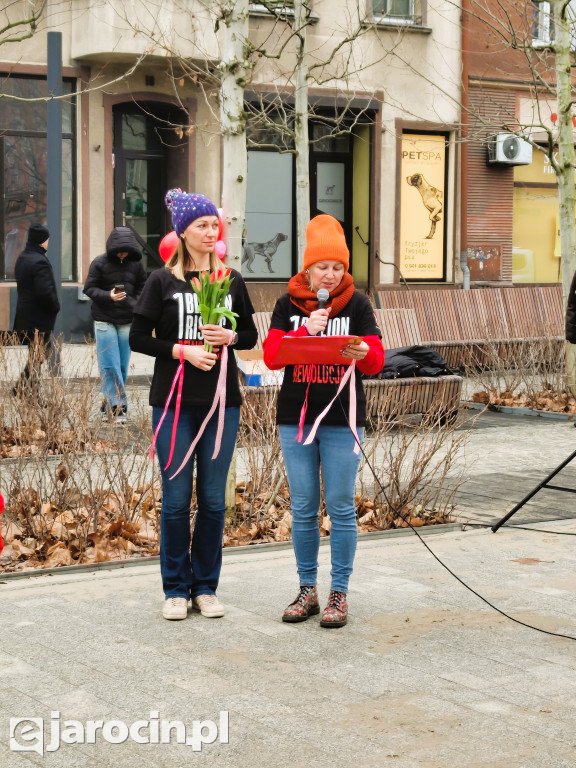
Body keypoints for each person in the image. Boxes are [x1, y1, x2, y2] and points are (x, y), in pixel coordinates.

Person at [130, 190, 257, 621]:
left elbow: (252, 336)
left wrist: (231, 338)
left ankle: (205, 588)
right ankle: (175, 589)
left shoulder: (232, 280)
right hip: (174, 402)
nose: (210, 231)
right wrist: (182, 352)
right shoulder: (162, 281)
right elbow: (138, 338)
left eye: (213, 225)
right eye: (201, 225)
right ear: (182, 232)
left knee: (214, 500)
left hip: (222, 403)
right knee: (176, 499)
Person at [263, 214, 384, 628]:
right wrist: (303, 334)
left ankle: (339, 593)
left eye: (337, 267)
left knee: (341, 507)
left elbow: (377, 360)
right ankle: (306, 590)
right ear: (307, 270)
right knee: (302, 508)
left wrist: (361, 353)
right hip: (295, 419)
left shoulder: (358, 303)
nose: (329, 276)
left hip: (342, 420)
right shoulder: (288, 305)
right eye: (322, 267)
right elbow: (272, 355)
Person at [83, 227, 147, 423]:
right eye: (119, 250)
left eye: (126, 250)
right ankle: (118, 406)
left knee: (121, 365)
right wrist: (108, 296)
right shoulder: (99, 263)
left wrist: (133, 304)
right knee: (109, 364)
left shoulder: (136, 265)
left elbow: (143, 288)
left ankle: (110, 400)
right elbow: (89, 288)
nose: (122, 254)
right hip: (104, 319)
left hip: (127, 320)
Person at [12, 223, 60, 397]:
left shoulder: (23, 257)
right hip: (40, 318)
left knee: (35, 356)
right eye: (47, 240)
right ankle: (24, 389)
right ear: (42, 241)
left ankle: (26, 390)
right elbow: (45, 292)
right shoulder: (39, 261)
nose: (48, 243)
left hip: (26, 315)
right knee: (39, 355)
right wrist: (55, 307)